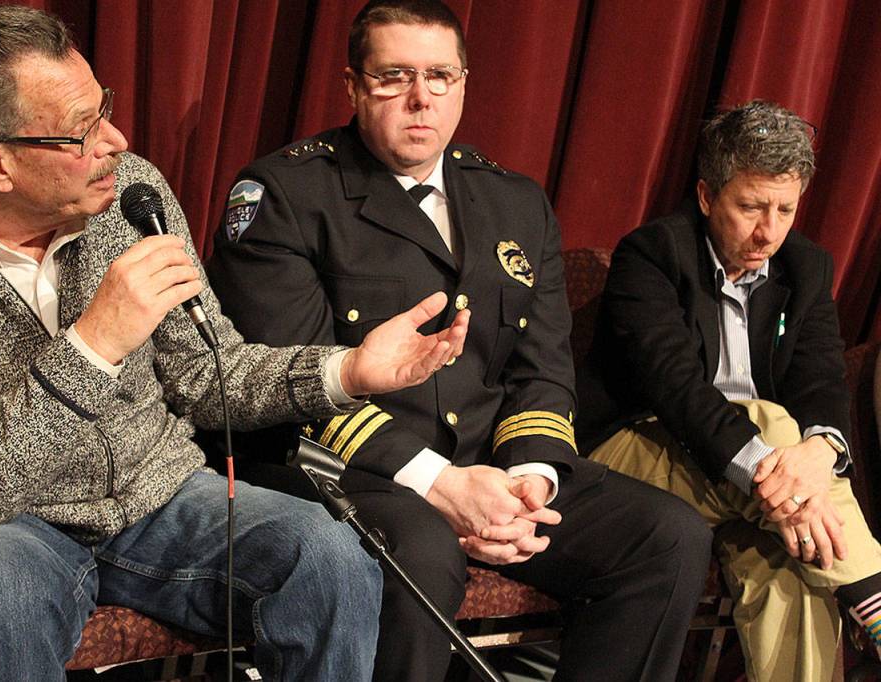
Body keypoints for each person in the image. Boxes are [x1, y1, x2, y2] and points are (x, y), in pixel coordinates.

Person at [0, 6, 473, 681]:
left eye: (105, 110)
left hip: (157, 498)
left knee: (327, 554)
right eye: (80, 132)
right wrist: (93, 346)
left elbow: (209, 373)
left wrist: (346, 369)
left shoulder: (127, 195)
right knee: (5, 597)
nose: (115, 141)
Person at [206, 1, 712, 680]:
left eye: (440, 76)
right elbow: (288, 382)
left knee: (666, 536)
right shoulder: (285, 194)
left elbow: (542, 369)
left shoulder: (516, 201)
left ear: (464, 85)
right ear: (352, 86)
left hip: (487, 462)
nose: (422, 98)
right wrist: (440, 484)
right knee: (419, 549)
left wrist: (528, 480)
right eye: (394, 77)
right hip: (349, 463)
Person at [582, 100, 881, 681]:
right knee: (770, 422)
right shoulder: (651, 255)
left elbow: (821, 379)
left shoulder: (807, 268)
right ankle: (873, 592)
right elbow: (676, 389)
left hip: (752, 487)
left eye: (785, 209)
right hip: (635, 452)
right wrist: (778, 464)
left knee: (789, 568)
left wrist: (819, 455)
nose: (768, 230)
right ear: (705, 197)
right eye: (749, 207)